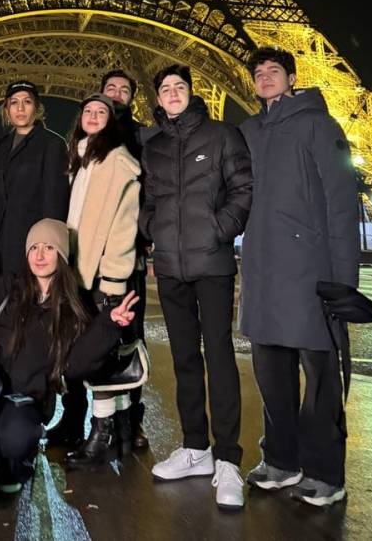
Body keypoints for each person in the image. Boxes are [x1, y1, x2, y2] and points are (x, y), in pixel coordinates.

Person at [0, 219, 139, 536]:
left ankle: (12, 465)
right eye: (34, 247)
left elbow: (76, 366)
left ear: (61, 254)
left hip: (22, 401)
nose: (39, 255)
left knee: (17, 438)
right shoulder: (5, 288)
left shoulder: (71, 308)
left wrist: (109, 326)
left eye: (48, 247)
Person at [238, 47, 360, 507]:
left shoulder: (319, 125)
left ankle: (325, 471)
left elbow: (341, 203)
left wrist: (344, 279)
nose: (265, 77)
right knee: (271, 375)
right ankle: (281, 459)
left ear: (292, 78)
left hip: (310, 272)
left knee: (321, 376)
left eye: (274, 70)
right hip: (262, 271)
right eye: (258, 72)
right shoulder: (248, 131)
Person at [140, 64, 252, 510]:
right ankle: (194, 447)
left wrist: (218, 231)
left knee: (219, 356)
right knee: (184, 358)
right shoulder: (154, 146)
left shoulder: (222, 135)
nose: (172, 92)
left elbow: (243, 188)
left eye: (179, 86)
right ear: (158, 97)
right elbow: (147, 200)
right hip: (170, 265)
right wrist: (154, 231)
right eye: (165, 88)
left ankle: (227, 459)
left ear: (191, 92)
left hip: (212, 263)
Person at [60, 93, 141, 469]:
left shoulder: (116, 162)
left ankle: (102, 433)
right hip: (77, 273)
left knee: (101, 357)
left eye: (101, 112)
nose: (93, 116)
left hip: (102, 278)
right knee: (93, 352)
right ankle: (116, 432)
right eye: (88, 110)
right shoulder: (81, 158)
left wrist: (112, 278)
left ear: (111, 120)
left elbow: (124, 228)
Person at [99, 68, 157, 450]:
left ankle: (131, 420)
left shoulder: (143, 138)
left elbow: (153, 189)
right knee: (88, 335)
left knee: (130, 336)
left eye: (124, 89)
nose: (117, 94)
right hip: (89, 254)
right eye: (111, 88)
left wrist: (144, 235)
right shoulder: (87, 133)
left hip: (128, 253)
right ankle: (89, 419)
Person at [0, 80, 69, 276]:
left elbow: (54, 205)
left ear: (36, 108)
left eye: (27, 102)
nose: (20, 108)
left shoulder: (52, 144)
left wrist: (44, 250)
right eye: (14, 102)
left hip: (29, 245)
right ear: (6, 109)